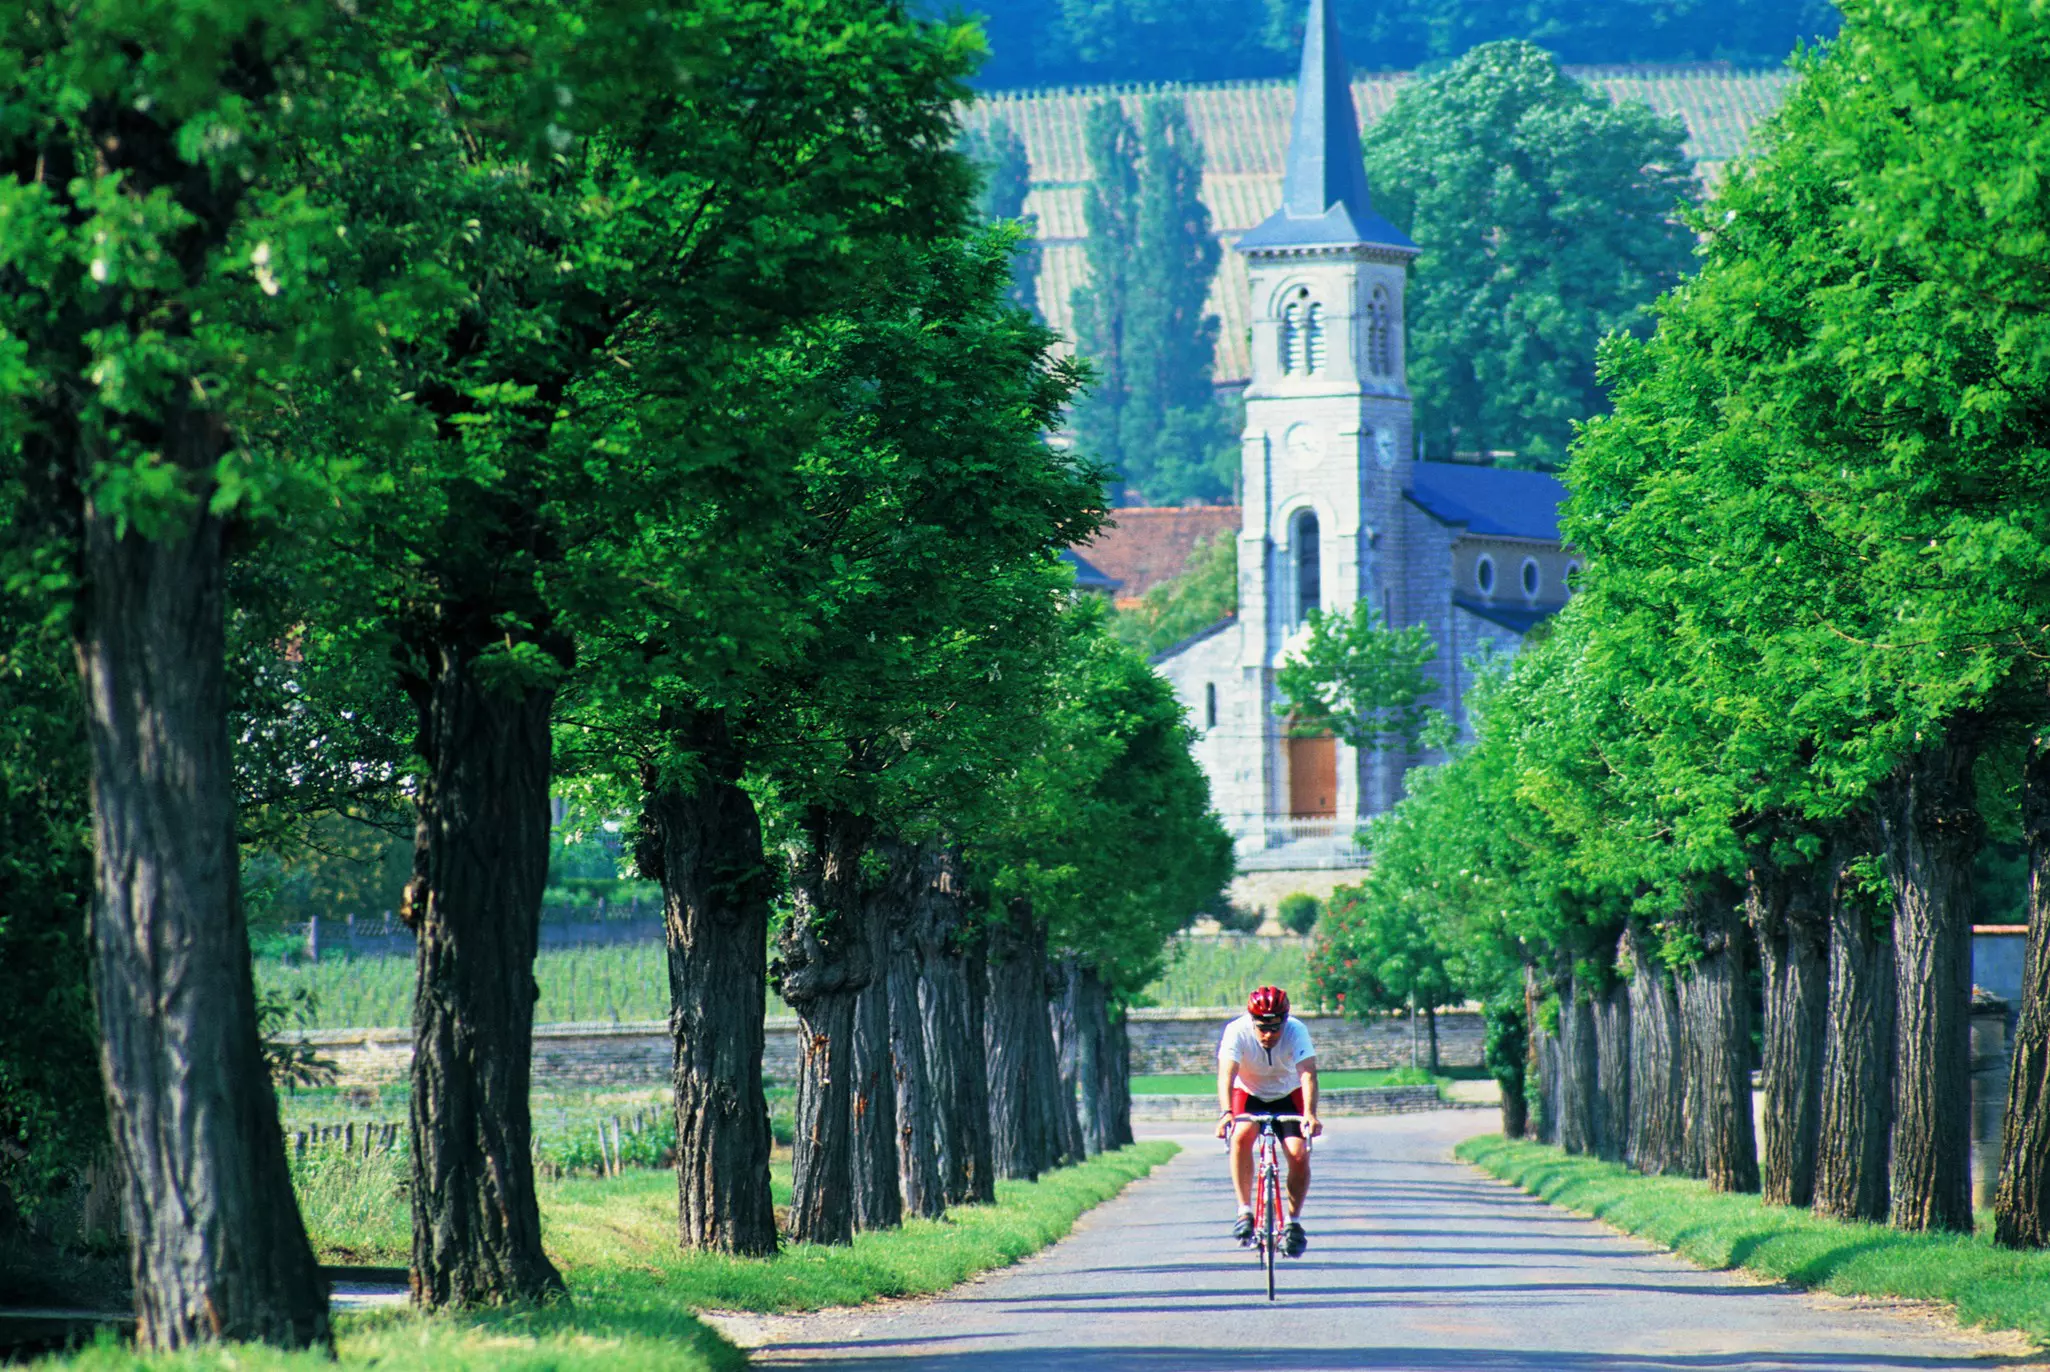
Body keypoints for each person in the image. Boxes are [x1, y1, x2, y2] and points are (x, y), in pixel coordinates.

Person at [1214, 984, 1321, 1257]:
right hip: (1249, 1093)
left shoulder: (1297, 1031)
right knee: (1241, 1135)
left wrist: (1310, 1114)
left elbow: (1307, 1073)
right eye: (1262, 1028)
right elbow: (1227, 1075)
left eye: (1275, 1028)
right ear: (1252, 1021)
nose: (1268, 1035)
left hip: (1288, 1093)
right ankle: (1244, 1211)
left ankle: (1293, 1223)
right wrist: (1226, 1113)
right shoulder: (1236, 1031)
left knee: (1298, 1154)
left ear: (1285, 1022)